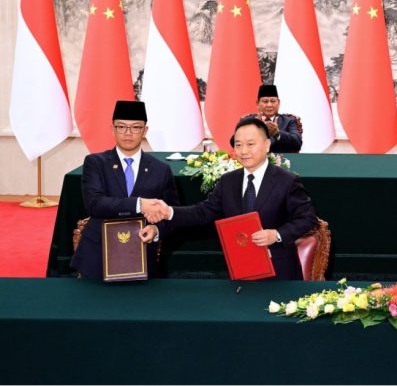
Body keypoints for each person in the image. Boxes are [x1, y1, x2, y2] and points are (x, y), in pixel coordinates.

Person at [144, 117, 317, 280]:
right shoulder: (228, 181)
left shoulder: (287, 181)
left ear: (266, 145)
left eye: (250, 144)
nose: (243, 151)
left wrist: (277, 234)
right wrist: (169, 212)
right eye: (238, 144)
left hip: (279, 273)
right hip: (239, 270)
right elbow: (203, 212)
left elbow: (307, 218)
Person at [70, 100, 180, 279]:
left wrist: (156, 230)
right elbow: (94, 204)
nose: (128, 133)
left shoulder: (161, 170)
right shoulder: (95, 163)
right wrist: (139, 204)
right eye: (121, 127)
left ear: (145, 131)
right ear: (113, 129)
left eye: (135, 127)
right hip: (98, 255)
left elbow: (172, 214)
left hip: (142, 255)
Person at [243, 84, 302, 153]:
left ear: (279, 103)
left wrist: (277, 133)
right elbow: (234, 141)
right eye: (265, 101)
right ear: (257, 104)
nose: (269, 105)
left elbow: (297, 143)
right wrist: (253, 128)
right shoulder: (247, 120)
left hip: (281, 162)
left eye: (273, 101)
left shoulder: (289, 121)